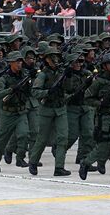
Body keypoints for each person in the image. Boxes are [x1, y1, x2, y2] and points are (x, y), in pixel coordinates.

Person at [79, 53, 110, 184]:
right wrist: (99, 103)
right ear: (104, 66)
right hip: (104, 118)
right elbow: (87, 97)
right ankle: (86, 162)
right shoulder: (99, 82)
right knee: (103, 146)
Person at [28, 47, 71, 176]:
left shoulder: (62, 72)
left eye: (56, 56)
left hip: (60, 108)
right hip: (46, 108)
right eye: (52, 56)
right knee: (42, 138)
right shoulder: (43, 74)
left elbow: (68, 88)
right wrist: (48, 92)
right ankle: (33, 162)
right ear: (47, 59)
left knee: (63, 137)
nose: (55, 59)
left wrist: (69, 77)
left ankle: (59, 167)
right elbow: (35, 92)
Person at [0, 51, 30, 172]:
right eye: (17, 61)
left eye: (20, 61)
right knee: (2, 139)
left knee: (24, 134)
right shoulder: (4, 78)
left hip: (21, 112)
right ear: (11, 63)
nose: (19, 64)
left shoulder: (24, 75)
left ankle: (20, 158)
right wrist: (11, 89)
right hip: (8, 113)